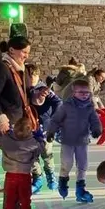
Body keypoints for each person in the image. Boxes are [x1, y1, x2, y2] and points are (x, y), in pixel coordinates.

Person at [47, 78, 103, 203]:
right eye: (81, 92)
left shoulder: (89, 107)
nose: (84, 95)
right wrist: (51, 131)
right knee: (67, 163)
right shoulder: (66, 106)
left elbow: (95, 121)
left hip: (82, 140)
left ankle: (80, 189)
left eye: (87, 92)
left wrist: (96, 129)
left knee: (83, 165)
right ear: (74, 93)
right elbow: (55, 120)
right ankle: (63, 181)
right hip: (67, 140)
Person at [0, 36, 39, 137]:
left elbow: (26, 94)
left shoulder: (24, 70)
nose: (26, 56)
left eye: (28, 52)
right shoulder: (1, 68)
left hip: (22, 122)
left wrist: (38, 96)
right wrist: (0, 119)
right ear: (11, 50)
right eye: (24, 52)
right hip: (6, 124)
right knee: (15, 152)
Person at [0, 117, 44, 209]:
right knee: (25, 200)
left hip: (10, 175)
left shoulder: (7, 140)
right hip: (24, 175)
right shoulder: (33, 143)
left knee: (10, 200)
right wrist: (40, 138)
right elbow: (40, 149)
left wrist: (7, 133)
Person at [26, 64, 59, 192]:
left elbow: (58, 102)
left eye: (33, 75)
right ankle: (37, 178)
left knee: (46, 154)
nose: (31, 78)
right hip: (29, 129)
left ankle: (50, 175)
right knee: (31, 155)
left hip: (44, 128)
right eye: (28, 76)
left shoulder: (44, 89)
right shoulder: (24, 89)